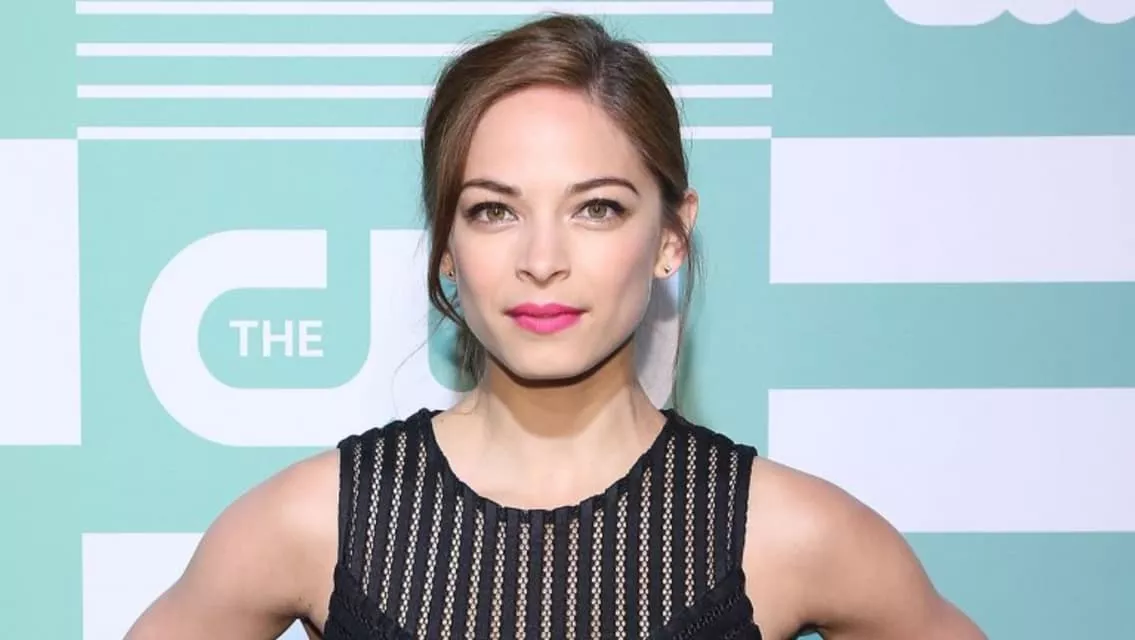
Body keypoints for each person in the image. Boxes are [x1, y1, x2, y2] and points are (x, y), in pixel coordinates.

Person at [126, 13, 986, 640]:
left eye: (597, 208)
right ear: (448, 245)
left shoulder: (790, 533)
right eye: (494, 210)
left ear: (671, 235)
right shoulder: (314, 522)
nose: (542, 259)